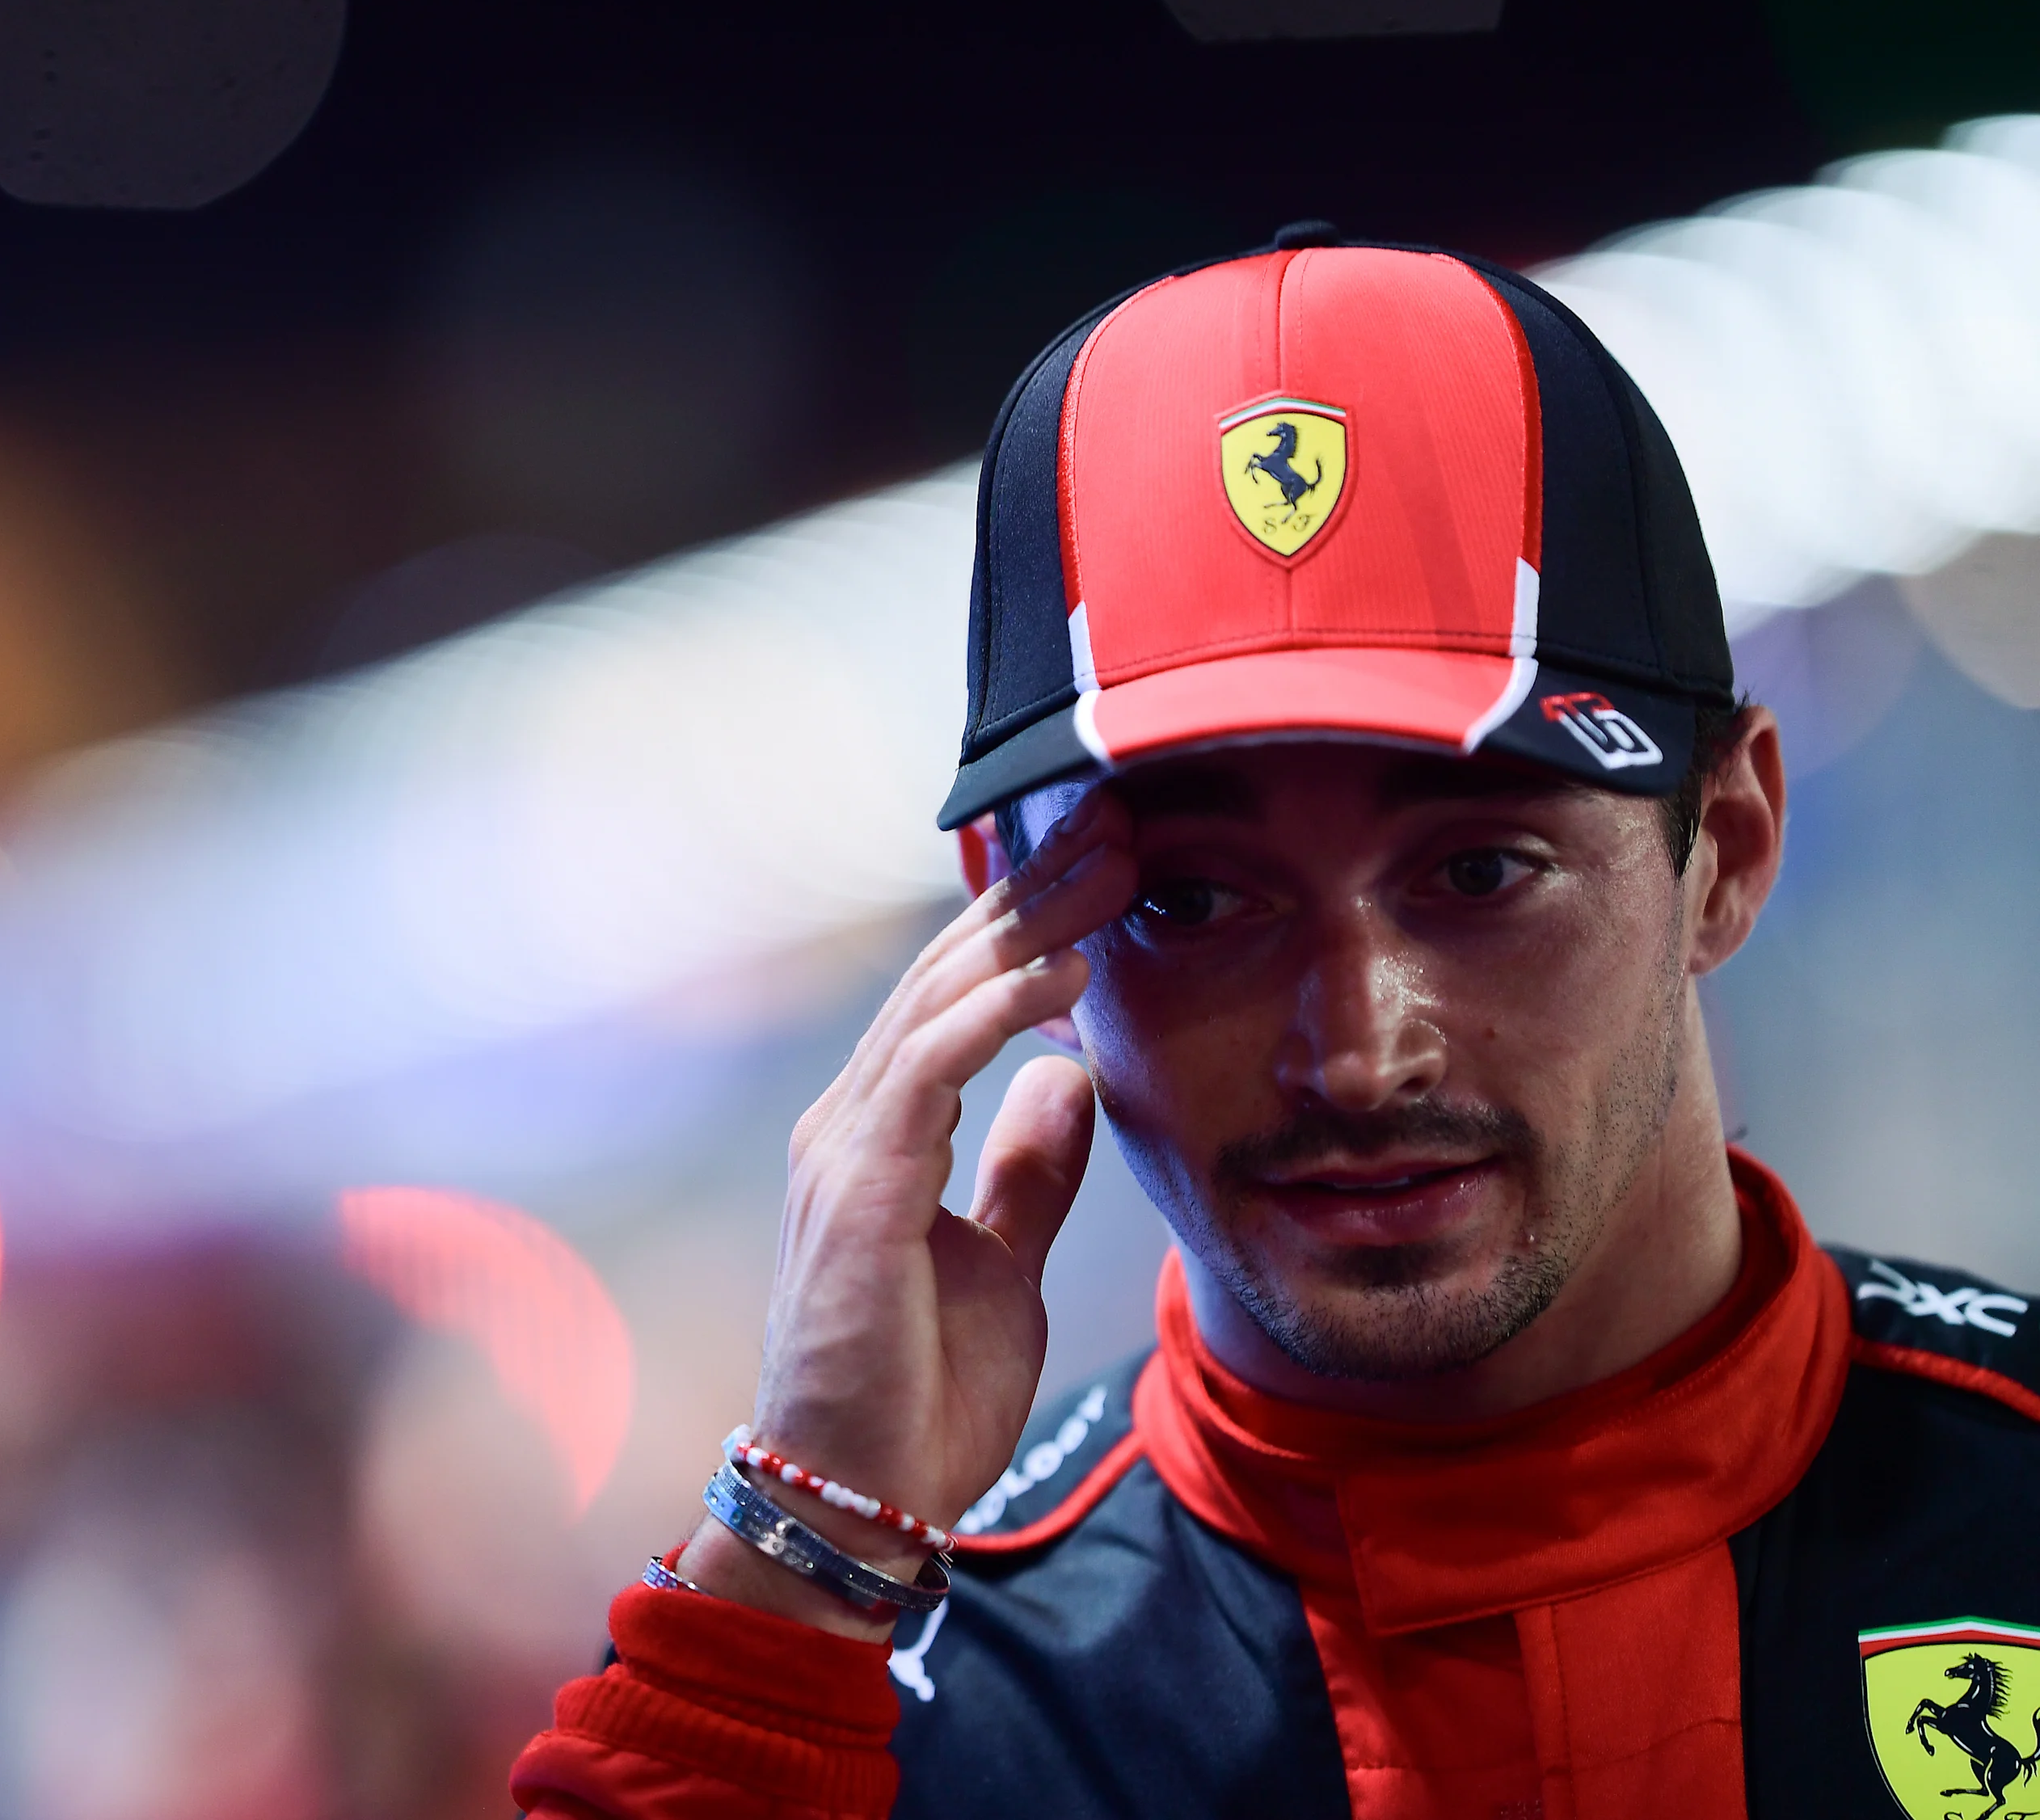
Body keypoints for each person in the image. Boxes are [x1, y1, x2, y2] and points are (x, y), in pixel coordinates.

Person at [508, 227, 2040, 1820]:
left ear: (1726, 844)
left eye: (1476, 870)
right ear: (1013, 918)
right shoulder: (879, 1702)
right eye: (1190, 899)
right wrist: (804, 1552)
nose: (1360, 1053)